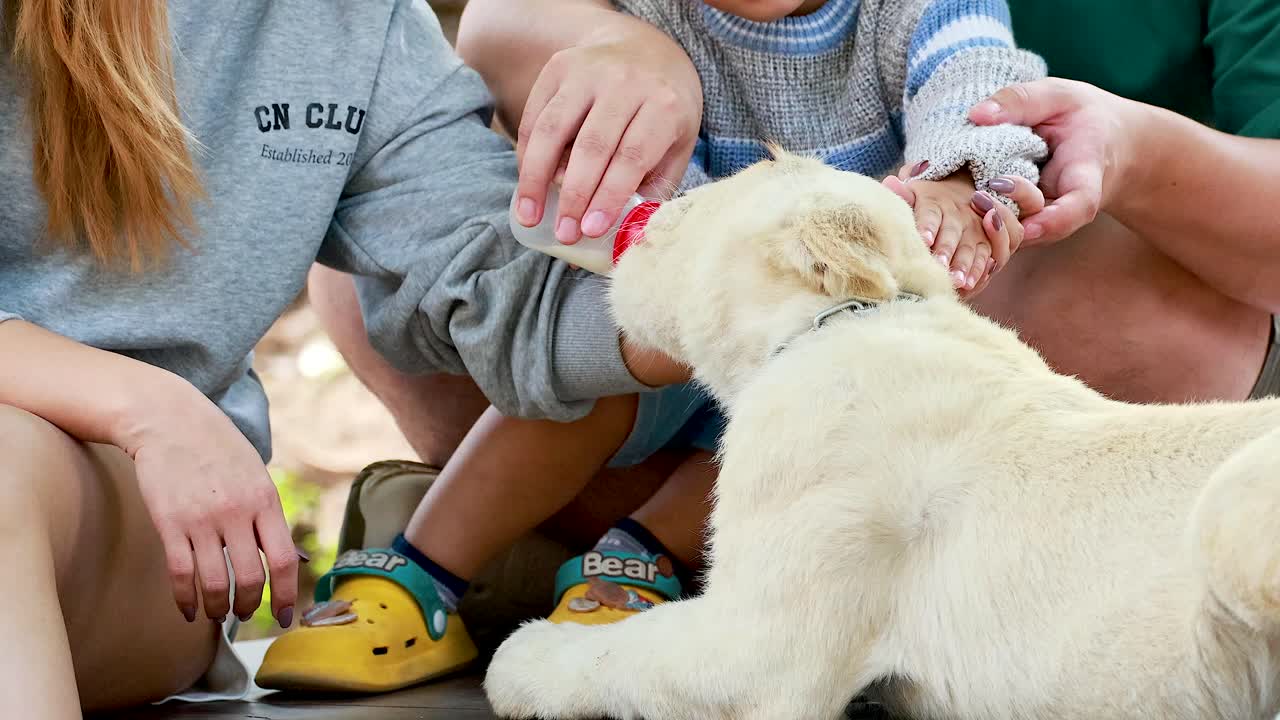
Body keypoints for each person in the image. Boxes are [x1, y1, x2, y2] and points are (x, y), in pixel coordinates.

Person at [280, 0, 1050, 694]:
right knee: (583, 381)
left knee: (825, 412)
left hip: (826, 353)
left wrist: (953, 173)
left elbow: (977, 81)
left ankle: (643, 557)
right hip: (673, 316)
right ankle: (424, 570)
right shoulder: (644, 15)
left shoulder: (908, 12)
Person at [0, 0, 670, 716]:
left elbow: (503, 295)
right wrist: (146, 406)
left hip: (113, 531)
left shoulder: (353, 22)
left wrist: (730, 280)